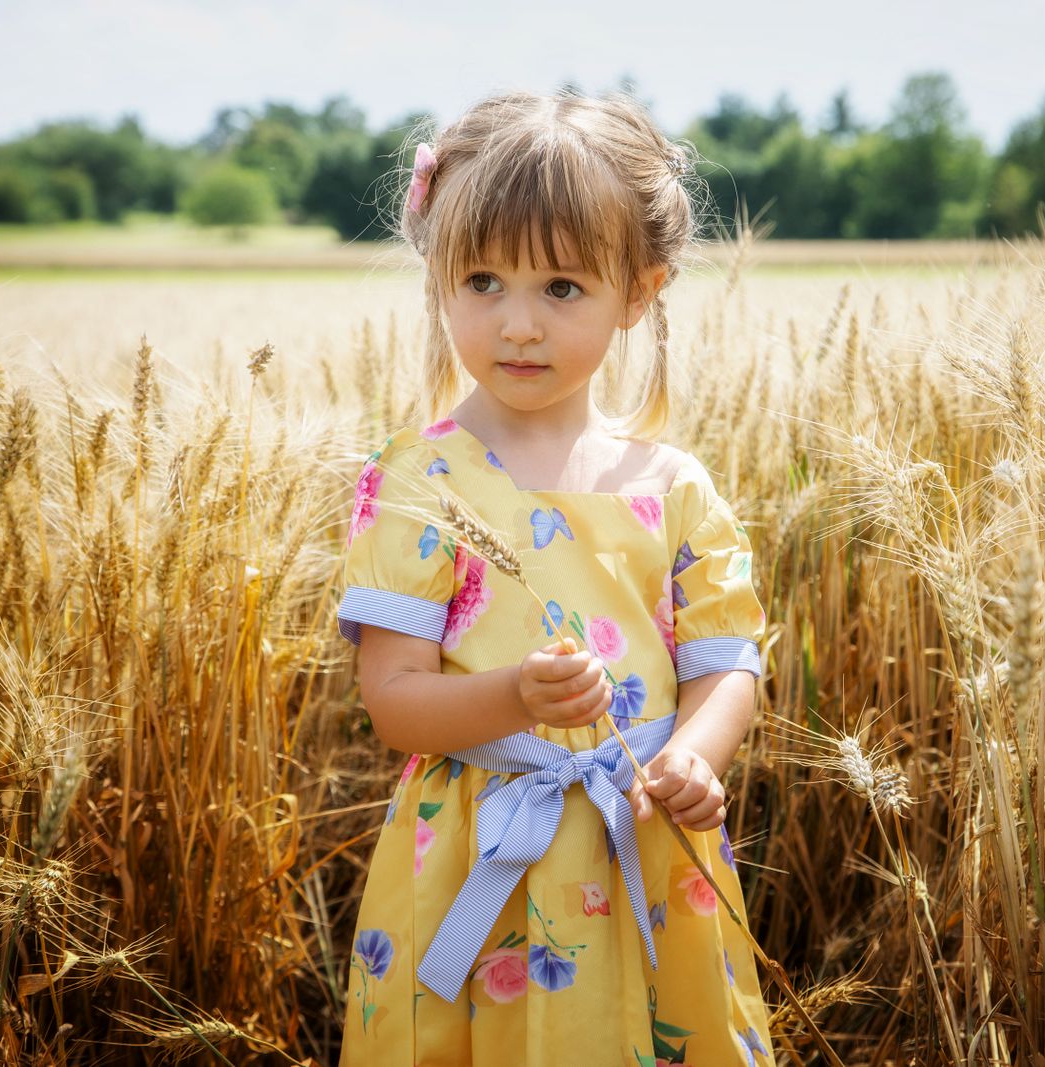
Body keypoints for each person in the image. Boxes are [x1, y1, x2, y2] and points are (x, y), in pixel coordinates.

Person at [335, 88, 773, 1066]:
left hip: (645, 847)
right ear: (438, 279)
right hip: (476, 851)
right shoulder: (416, 480)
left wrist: (696, 754)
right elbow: (395, 702)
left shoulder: (673, 487)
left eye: (561, 288)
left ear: (640, 291)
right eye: (481, 280)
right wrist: (512, 695)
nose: (517, 323)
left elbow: (727, 662)